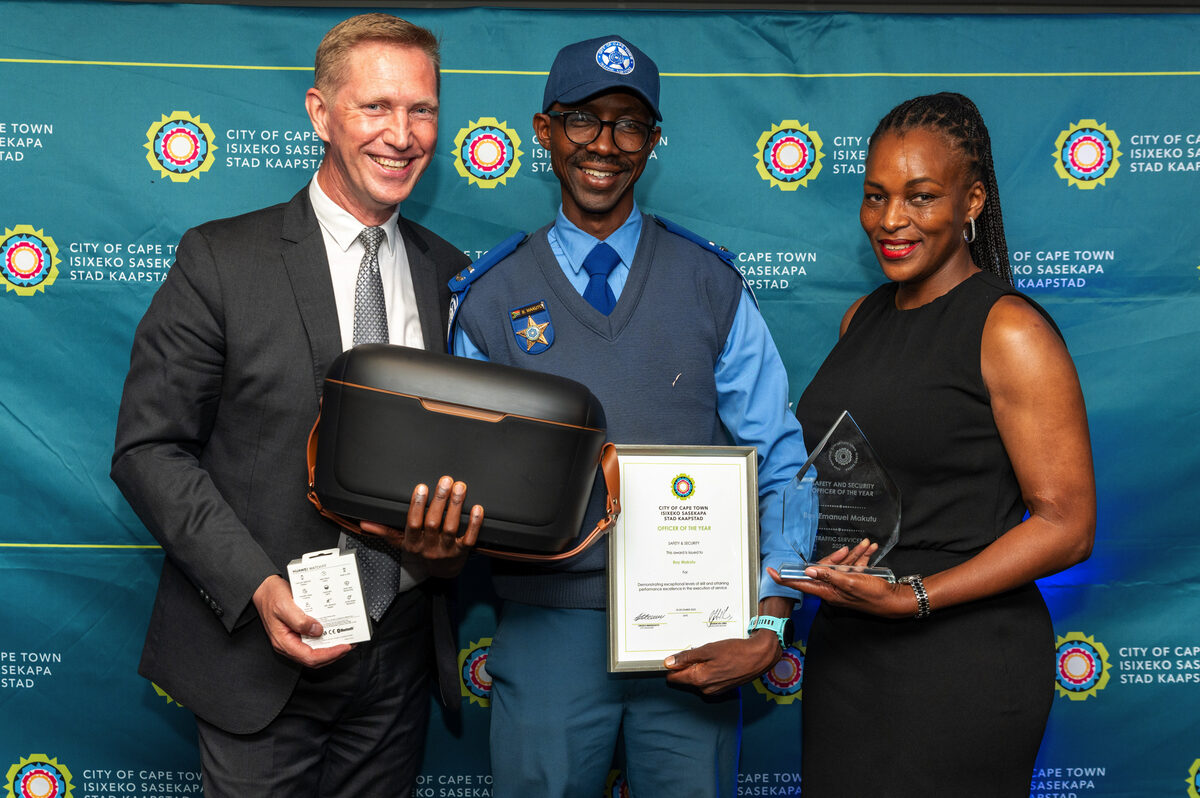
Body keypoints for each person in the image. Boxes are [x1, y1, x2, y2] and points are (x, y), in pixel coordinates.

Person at [110, 14, 482, 797]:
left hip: (398, 659)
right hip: (258, 652)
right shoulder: (220, 259)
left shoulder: (450, 275)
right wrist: (255, 585)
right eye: (375, 107)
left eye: (421, 109)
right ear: (319, 112)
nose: (403, 134)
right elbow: (149, 449)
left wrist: (448, 553)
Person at [448, 35, 822, 798]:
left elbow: (780, 458)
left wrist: (773, 618)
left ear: (652, 144)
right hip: (549, 631)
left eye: (628, 125)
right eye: (583, 119)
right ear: (543, 130)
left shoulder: (709, 282)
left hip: (697, 636)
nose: (604, 145)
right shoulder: (487, 298)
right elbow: (463, 478)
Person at [772, 92, 1096, 796]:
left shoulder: (1007, 330)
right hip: (850, 647)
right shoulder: (863, 317)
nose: (891, 220)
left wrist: (915, 596)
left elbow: (1067, 527)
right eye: (876, 196)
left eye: (921, 197)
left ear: (973, 199)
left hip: (961, 660)